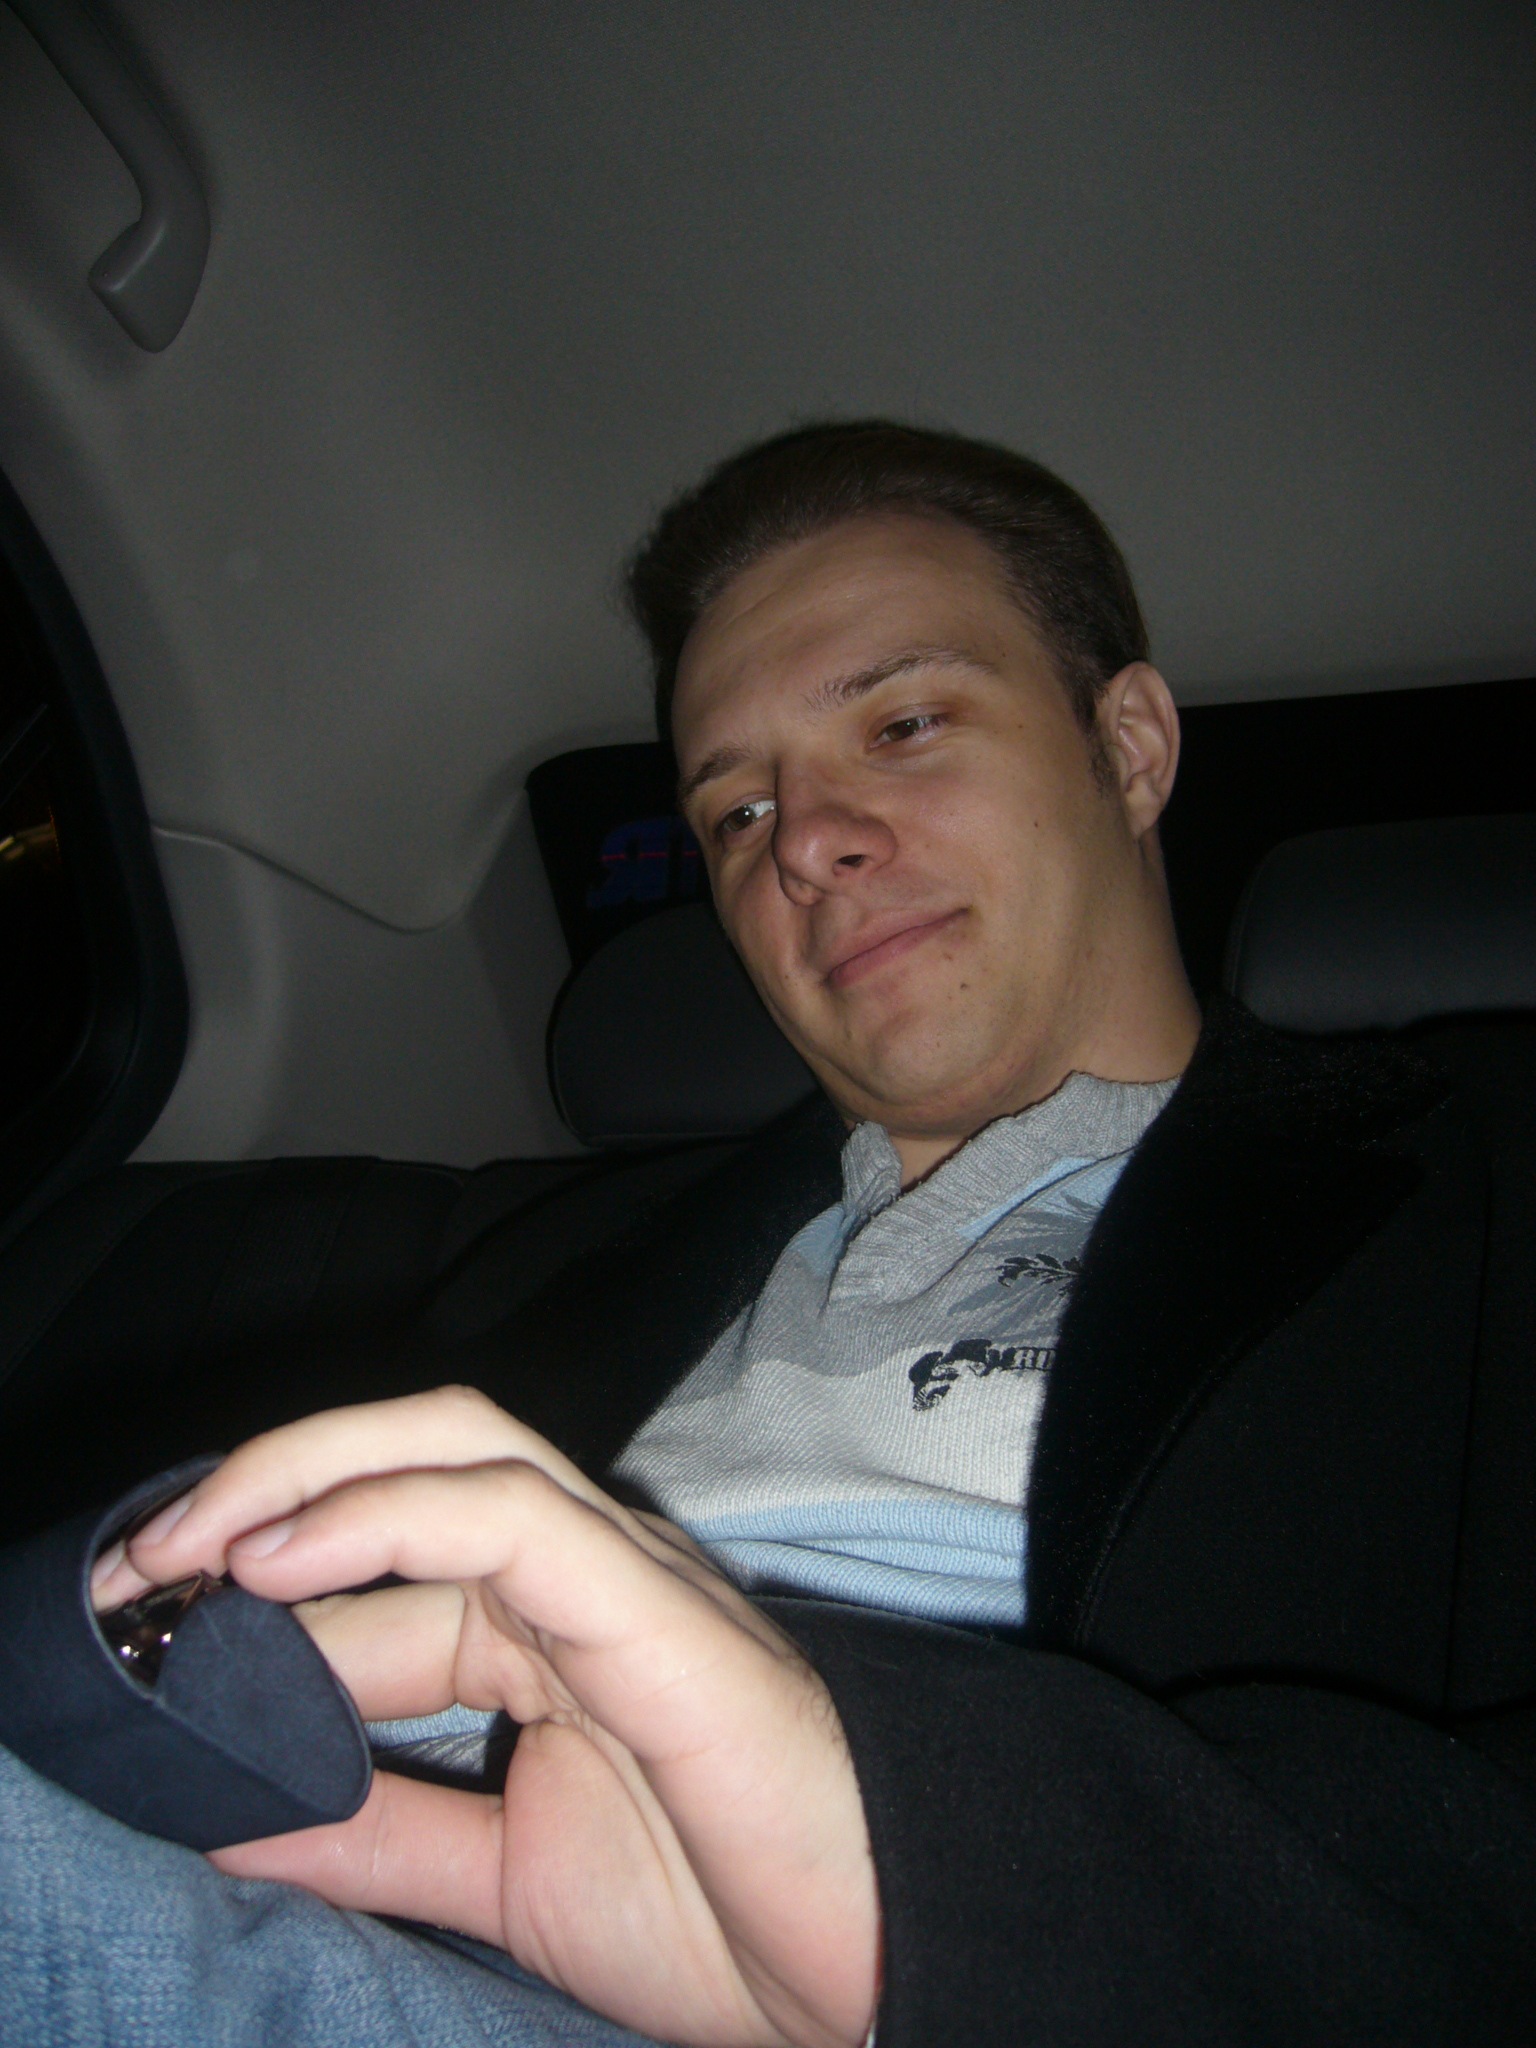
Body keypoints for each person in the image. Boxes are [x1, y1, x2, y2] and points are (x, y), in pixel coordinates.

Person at [6, 423, 1534, 2048]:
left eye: (906, 723)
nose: (805, 838)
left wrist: (932, 1884)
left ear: (1132, 748)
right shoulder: (548, 1264)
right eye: (737, 812)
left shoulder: (1476, 1191)